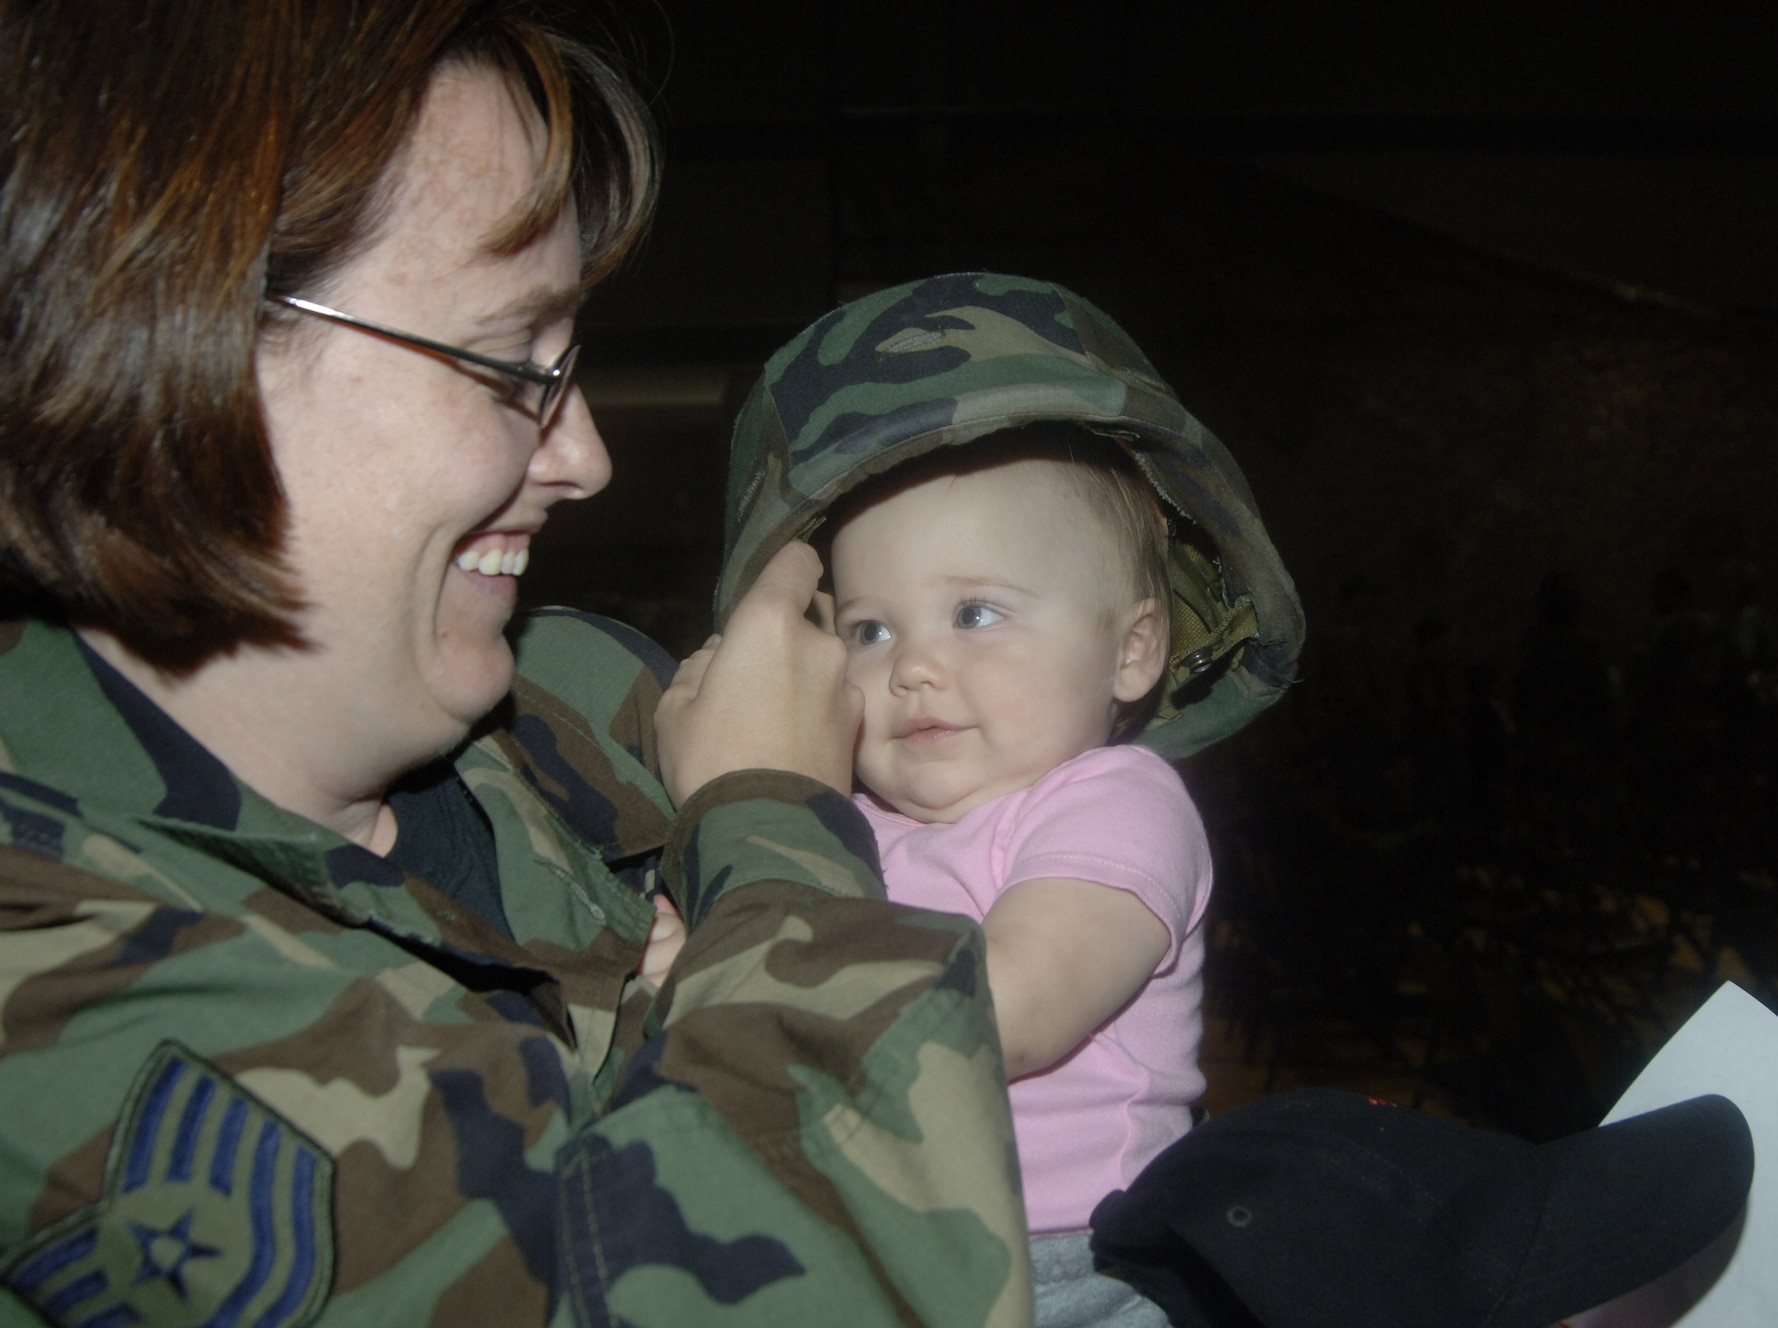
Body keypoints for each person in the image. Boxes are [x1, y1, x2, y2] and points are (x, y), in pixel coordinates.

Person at [0, 5, 1031, 1324]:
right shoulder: (47, 962)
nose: (584, 456)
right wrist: (776, 828)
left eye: (568, 366)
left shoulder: (581, 699)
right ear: (168, 338)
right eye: (509, 362)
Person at [702, 273, 1309, 1326]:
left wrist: (753, 980)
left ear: (1130, 648)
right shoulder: (842, 826)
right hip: (872, 1238)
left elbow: (1011, 1009)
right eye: (871, 630)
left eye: (974, 612)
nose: (913, 670)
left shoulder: (1115, 801)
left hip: (1074, 1259)